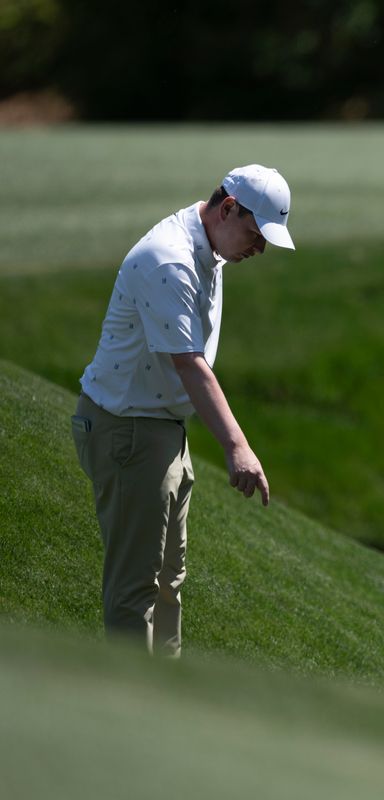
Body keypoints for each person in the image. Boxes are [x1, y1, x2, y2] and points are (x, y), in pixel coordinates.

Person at [70, 164, 295, 657]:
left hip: (161, 428)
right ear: (228, 208)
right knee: (136, 592)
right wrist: (237, 446)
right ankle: (133, 717)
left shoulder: (211, 248)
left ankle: (167, 703)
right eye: (256, 235)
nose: (259, 249)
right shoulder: (169, 260)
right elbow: (190, 366)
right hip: (128, 429)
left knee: (170, 578)